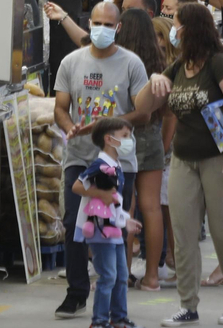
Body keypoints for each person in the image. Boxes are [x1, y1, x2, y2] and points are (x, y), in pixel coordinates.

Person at [133, 3, 223, 327]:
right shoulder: (177, 66)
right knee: (183, 232)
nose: (174, 29)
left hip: (222, 155)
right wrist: (154, 81)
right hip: (185, 158)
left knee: (222, 229)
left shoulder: (219, 62)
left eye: (177, 24)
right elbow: (142, 106)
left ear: (191, 29)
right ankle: (188, 304)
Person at [53, 0, 148, 320]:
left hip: (118, 161)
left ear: (118, 28)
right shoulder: (71, 62)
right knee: (73, 224)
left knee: (114, 227)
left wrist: (104, 127)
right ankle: (77, 291)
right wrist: (70, 129)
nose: (102, 30)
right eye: (97, 23)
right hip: (79, 157)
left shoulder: (132, 64)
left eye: (109, 25)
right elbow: (60, 108)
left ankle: (116, 303)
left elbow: (143, 112)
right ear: (88, 23)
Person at [108, 7, 170, 291]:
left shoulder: (120, 62)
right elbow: (169, 111)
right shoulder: (160, 63)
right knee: (152, 208)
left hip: (123, 138)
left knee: (124, 206)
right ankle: (153, 277)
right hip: (153, 136)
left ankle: (122, 275)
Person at [72, 117, 140, 328]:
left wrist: (125, 221)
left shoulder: (116, 165)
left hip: (114, 229)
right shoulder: (100, 165)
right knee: (108, 275)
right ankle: (99, 321)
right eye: (125, 136)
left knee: (121, 275)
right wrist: (100, 193)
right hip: (99, 229)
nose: (130, 141)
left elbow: (115, 202)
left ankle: (118, 318)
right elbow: (77, 186)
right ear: (109, 139)